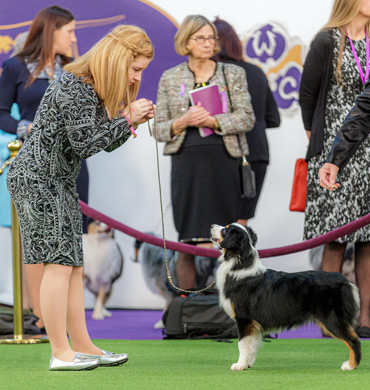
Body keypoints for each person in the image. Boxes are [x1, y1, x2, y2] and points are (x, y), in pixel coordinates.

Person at [7, 24, 155, 370]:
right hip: (39, 179)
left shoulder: (83, 83)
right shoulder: (76, 84)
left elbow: (97, 141)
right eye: (135, 69)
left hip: (56, 179)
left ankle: (82, 345)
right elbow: (87, 143)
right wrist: (127, 118)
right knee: (60, 264)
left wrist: (125, 122)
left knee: (72, 265)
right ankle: (60, 352)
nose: (136, 79)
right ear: (119, 59)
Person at [0, 5, 89, 334]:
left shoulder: (76, 69)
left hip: (72, 165)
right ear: (51, 31)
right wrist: (26, 128)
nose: (74, 37)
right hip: (36, 166)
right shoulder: (14, 67)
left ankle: (70, 324)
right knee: (38, 242)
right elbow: (0, 113)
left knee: (70, 245)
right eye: (70, 31)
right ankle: (41, 317)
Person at [155, 14, 255, 289]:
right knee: (187, 238)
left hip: (224, 161)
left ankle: (228, 307)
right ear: (185, 42)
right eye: (201, 38)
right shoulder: (170, 77)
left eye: (212, 38)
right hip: (186, 163)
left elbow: (247, 118)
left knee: (227, 238)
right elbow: (159, 129)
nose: (208, 43)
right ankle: (186, 307)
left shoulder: (232, 73)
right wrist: (183, 121)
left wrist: (213, 121)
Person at [299, 0, 370, 338]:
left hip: (368, 151)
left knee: (369, 240)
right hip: (334, 150)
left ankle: (367, 320)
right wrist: (325, 149)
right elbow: (307, 97)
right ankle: (331, 321)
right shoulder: (327, 41)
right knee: (336, 239)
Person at [213, 17, 280, 225]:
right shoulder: (256, 72)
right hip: (256, 154)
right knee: (239, 229)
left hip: (222, 154)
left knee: (214, 229)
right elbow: (274, 119)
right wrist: (253, 122)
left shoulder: (212, 74)